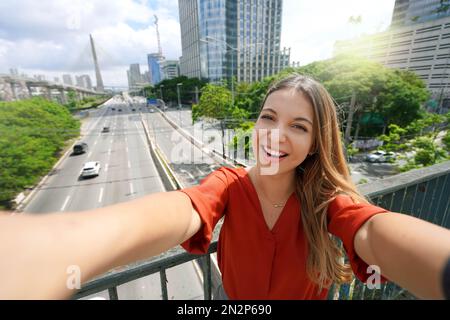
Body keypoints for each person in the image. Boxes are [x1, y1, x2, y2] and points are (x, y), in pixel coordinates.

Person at [1, 74, 449, 300]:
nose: (276, 135)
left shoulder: (327, 203)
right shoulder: (229, 185)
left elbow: (372, 230)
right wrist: (56, 247)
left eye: (298, 126)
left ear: (315, 145)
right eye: (268, 117)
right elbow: (182, 210)